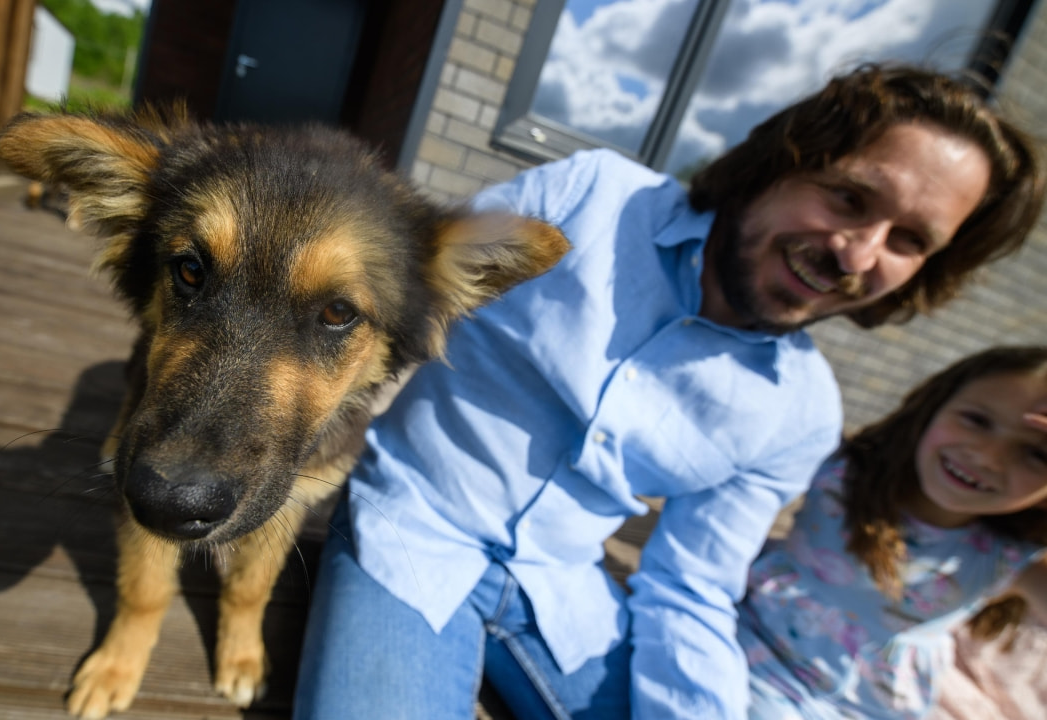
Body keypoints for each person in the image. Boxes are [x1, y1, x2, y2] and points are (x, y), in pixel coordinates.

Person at [292, 63, 1045, 720]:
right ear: (780, 160)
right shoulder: (589, 197)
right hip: (412, 537)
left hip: (566, 592)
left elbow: (692, 587)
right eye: (848, 197)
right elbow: (401, 307)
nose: (858, 252)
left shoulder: (802, 410)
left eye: (909, 240)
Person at [741, 346, 1047, 719]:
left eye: (1036, 454)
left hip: (862, 708)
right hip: (754, 643)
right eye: (977, 420)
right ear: (933, 405)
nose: (987, 457)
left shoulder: (1009, 558)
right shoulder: (842, 467)